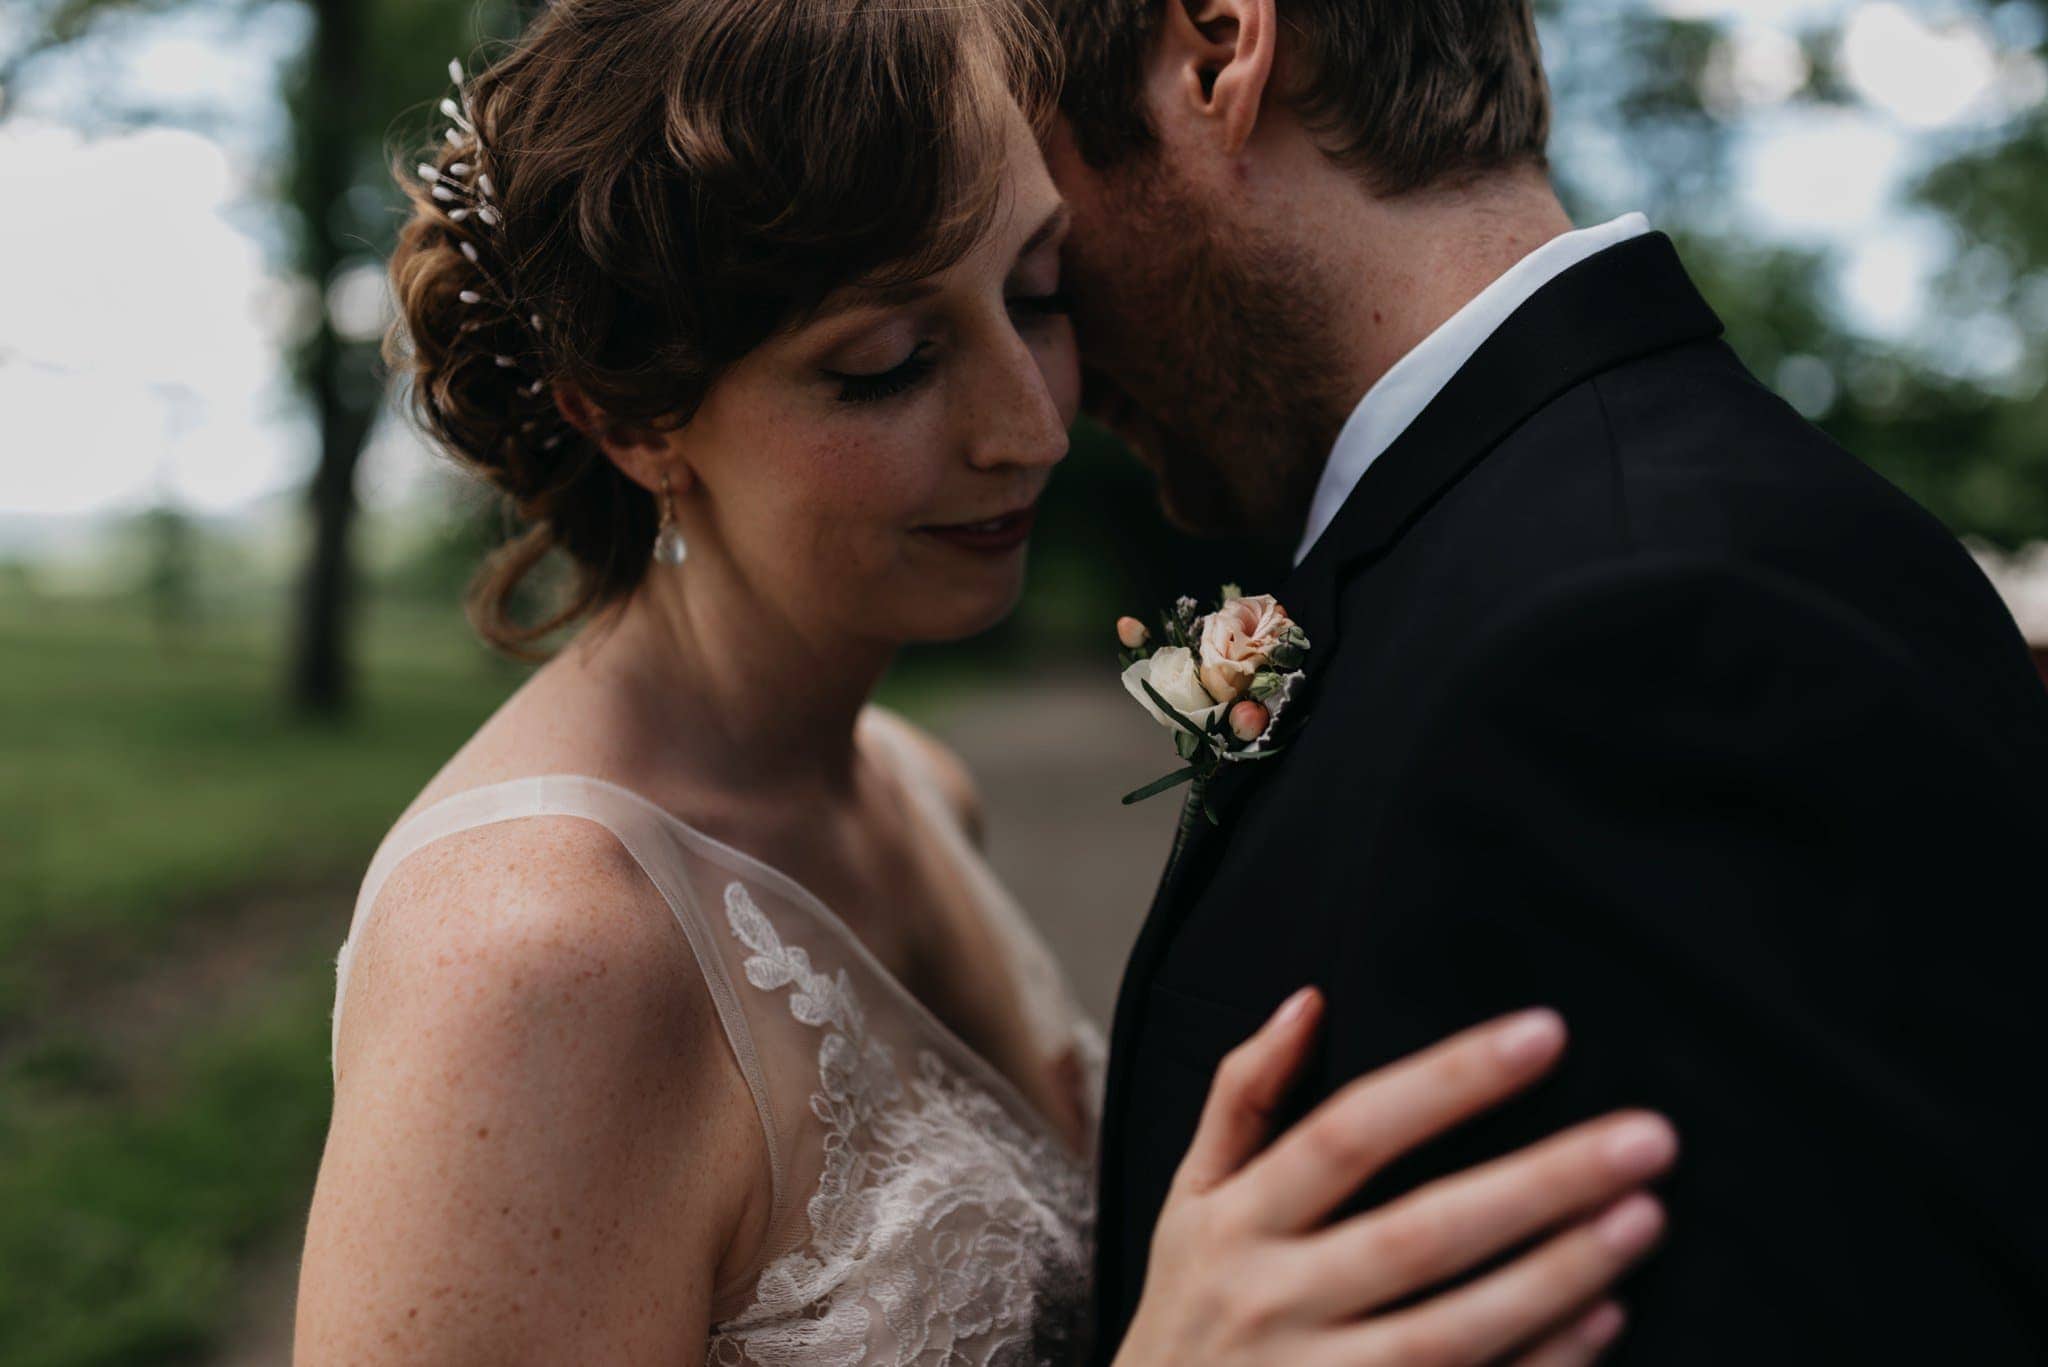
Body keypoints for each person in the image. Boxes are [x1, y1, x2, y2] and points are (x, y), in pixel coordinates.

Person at [294, 1, 1677, 1362]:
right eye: (887, 365)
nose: (1028, 425)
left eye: (1036, 294)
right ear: (634, 420)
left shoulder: (912, 783)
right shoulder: (536, 954)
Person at [1037, 1, 2048, 1362]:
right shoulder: (1518, 539)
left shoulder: (1637, 631)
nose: (1048, 355)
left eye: (1049, 198)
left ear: (1219, 48)